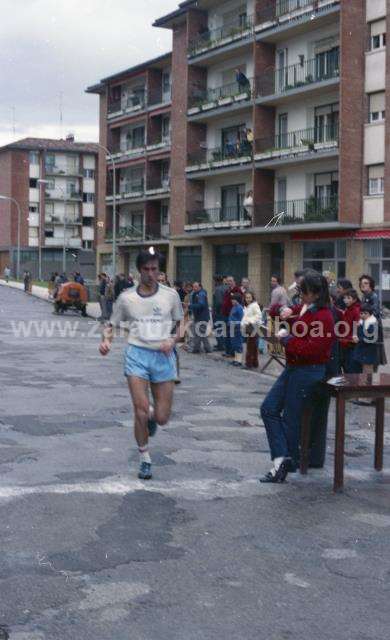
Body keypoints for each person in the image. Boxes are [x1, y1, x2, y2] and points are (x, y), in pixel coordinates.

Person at [99, 248, 184, 481]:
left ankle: (153, 419)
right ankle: (145, 458)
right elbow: (111, 324)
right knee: (140, 409)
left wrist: (172, 339)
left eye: (154, 269)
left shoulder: (170, 296)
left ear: (160, 270)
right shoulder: (127, 297)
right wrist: (106, 341)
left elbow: (181, 324)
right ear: (139, 271)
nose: (150, 273)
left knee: (163, 416)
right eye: (146, 269)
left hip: (163, 356)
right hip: (136, 354)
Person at [260, 272, 335, 483]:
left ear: (315, 293)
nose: (300, 295)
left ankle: (281, 463)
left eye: (303, 292)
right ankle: (284, 458)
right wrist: (281, 310)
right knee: (268, 408)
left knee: (290, 419)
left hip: (308, 370)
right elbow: (281, 310)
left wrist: (286, 339)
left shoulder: (324, 316)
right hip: (295, 367)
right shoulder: (306, 308)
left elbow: (312, 349)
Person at [359, 274, 386, 366]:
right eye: (361, 283)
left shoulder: (373, 296)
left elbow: (375, 312)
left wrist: (362, 319)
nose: (363, 285)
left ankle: (369, 379)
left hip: (373, 328)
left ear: (371, 285)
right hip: (366, 327)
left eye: (366, 283)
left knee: (372, 356)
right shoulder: (364, 296)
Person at [352, 303, 379, 374]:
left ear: (370, 314)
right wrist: (355, 335)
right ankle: (363, 383)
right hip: (361, 349)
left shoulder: (372, 324)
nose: (363, 315)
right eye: (361, 313)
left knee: (367, 370)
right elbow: (356, 332)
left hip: (369, 350)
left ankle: (368, 384)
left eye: (365, 313)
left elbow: (372, 338)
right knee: (361, 370)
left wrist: (359, 339)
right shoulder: (361, 322)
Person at [339, 288, 361, 373]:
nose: (345, 300)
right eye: (344, 298)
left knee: (352, 369)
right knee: (347, 368)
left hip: (352, 344)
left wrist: (346, 339)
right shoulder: (348, 309)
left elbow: (355, 328)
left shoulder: (356, 311)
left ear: (354, 299)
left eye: (348, 298)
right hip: (346, 343)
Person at [221, 276, 242, 357]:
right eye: (228, 281)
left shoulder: (237, 290)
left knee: (232, 335)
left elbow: (240, 301)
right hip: (226, 315)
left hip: (233, 316)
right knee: (226, 334)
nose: (229, 282)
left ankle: (233, 352)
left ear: (234, 281)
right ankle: (228, 351)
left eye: (230, 281)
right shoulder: (227, 290)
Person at [188, 282, 212, 354]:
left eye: (195, 286)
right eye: (193, 286)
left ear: (200, 287)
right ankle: (208, 349)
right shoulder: (195, 293)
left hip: (202, 317)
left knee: (198, 333)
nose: (194, 288)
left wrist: (190, 306)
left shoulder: (201, 294)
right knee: (202, 334)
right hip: (199, 316)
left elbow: (201, 305)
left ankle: (196, 349)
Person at [241, 291, 262, 368]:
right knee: (254, 346)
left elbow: (259, 316)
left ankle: (248, 364)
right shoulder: (247, 306)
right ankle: (255, 363)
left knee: (250, 346)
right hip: (249, 327)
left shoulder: (254, 305)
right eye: (246, 297)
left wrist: (250, 321)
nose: (248, 299)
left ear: (252, 297)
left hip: (253, 327)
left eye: (249, 297)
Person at [212, 275, 228, 351]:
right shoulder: (226, 287)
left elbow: (218, 302)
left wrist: (216, 312)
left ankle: (220, 345)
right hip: (225, 312)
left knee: (218, 328)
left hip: (218, 312)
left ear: (216, 281)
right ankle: (223, 344)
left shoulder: (218, 289)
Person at [229, 293, 244, 367]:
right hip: (232, 328)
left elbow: (242, 319)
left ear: (237, 300)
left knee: (238, 344)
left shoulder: (239, 308)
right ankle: (235, 359)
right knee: (234, 344)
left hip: (237, 328)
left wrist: (234, 323)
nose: (231, 301)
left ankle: (239, 360)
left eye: (233, 299)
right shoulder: (233, 307)